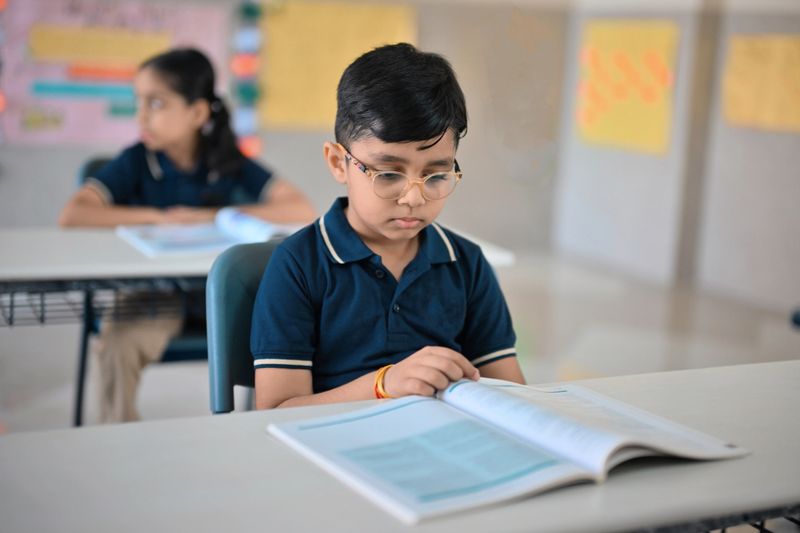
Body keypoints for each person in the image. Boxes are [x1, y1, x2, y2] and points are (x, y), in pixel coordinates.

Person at [251, 43, 525, 409]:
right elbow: (274, 409)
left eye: (436, 175)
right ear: (338, 162)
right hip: (331, 447)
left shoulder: (467, 263)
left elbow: (513, 395)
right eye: (389, 174)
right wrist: (385, 384)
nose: (413, 198)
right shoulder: (299, 264)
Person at [59, 48, 316, 423]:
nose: (142, 115)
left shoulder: (227, 160)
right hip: (155, 296)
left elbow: (299, 209)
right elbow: (74, 213)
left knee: (289, 333)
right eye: (139, 103)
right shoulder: (135, 161)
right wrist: (159, 217)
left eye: (157, 103)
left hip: (221, 297)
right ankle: (117, 436)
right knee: (118, 341)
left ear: (197, 113)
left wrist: (211, 216)